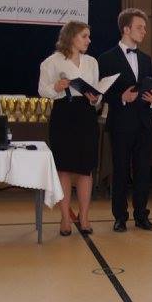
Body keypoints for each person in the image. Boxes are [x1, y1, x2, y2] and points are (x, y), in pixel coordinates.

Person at [97, 8, 152, 232]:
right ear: (126, 29)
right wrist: (121, 97)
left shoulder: (146, 59)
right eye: (139, 27)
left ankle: (141, 215)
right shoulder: (106, 58)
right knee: (120, 171)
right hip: (121, 123)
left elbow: (149, 88)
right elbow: (100, 93)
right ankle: (120, 217)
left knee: (143, 171)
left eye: (144, 27)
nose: (144, 31)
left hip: (144, 123)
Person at [39, 20, 102, 236]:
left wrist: (95, 99)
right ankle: (65, 218)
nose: (88, 40)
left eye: (88, 36)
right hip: (64, 114)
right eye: (84, 36)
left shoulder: (92, 62)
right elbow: (42, 90)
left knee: (86, 168)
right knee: (63, 168)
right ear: (71, 37)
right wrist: (56, 86)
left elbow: (97, 93)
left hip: (86, 115)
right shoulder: (51, 62)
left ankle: (84, 217)